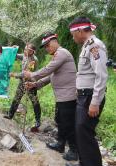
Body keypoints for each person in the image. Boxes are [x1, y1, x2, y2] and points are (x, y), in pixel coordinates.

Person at [23, 32, 78, 161]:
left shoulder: (62, 53)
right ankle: (60, 144)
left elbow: (48, 69)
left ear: (54, 41)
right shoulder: (57, 56)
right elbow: (51, 76)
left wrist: (31, 75)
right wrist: (35, 84)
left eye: (48, 45)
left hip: (68, 96)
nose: (47, 49)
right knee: (59, 120)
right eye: (45, 47)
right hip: (62, 97)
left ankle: (74, 151)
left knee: (68, 124)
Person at [66, 17, 108, 166]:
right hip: (84, 96)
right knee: (80, 132)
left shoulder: (95, 46)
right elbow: (86, 74)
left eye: (73, 33)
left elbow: (101, 76)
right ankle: (84, 162)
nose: (73, 37)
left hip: (91, 97)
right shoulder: (86, 46)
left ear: (79, 30)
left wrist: (95, 101)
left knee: (85, 133)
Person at [3, 43, 42, 132]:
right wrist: (13, 50)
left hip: (30, 83)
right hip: (22, 82)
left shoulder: (33, 60)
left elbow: (26, 73)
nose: (24, 51)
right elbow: (16, 56)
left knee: (34, 101)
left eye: (26, 50)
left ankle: (38, 121)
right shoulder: (25, 55)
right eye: (24, 49)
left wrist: (13, 75)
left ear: (32, 52)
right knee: (17, 98)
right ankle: (10, 115)